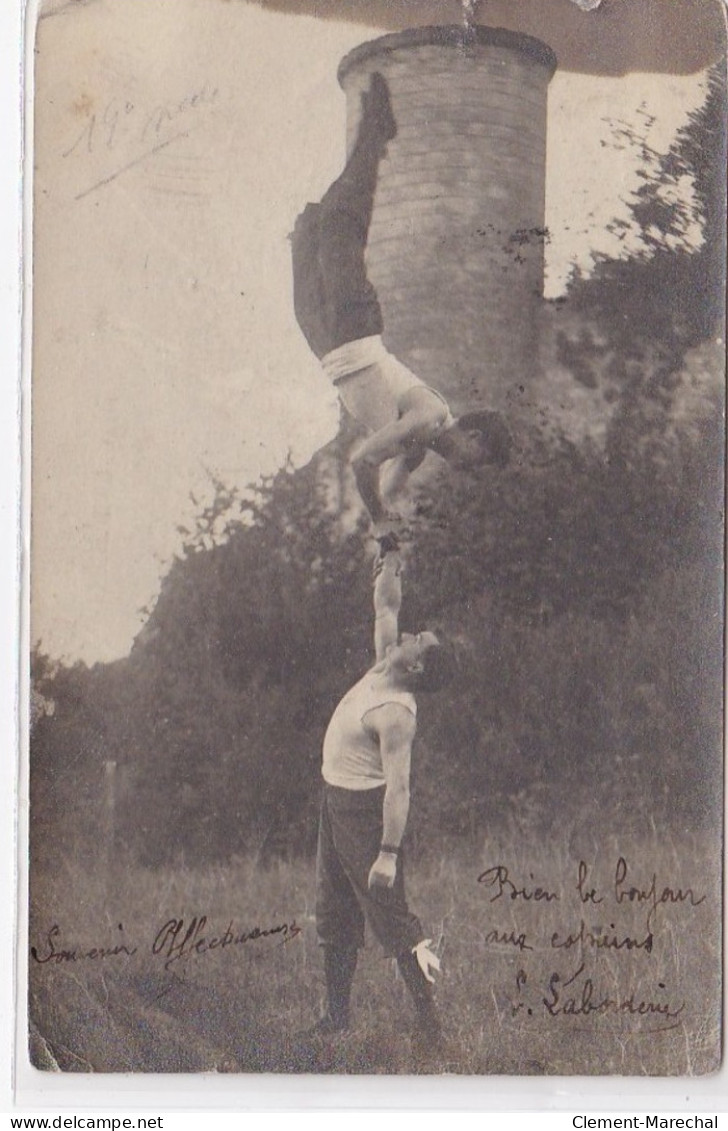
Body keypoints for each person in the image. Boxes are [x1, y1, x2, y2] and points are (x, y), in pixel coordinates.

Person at [291, 71, 511, 539]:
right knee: (339, 223)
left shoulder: (419, 445)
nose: (469, 472)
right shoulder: (428, 418)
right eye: (479, 463)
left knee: (313, 227)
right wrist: (380, 519)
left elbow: (389, 482)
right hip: (355, 327)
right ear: (474, 438)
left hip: (326, 345)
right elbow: (362, 460)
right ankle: (377, 130)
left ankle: (369, 136)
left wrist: (395, 522)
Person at [310, 546, 453, 1048]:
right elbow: (387, 608)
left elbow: (400, 788)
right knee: (333, 910)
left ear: (416, 669)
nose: (409, 636)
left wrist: (388, 854)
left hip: (365, 815)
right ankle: (336, 1017)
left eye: (418, 642)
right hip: (335, 800)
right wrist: (389, 562)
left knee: (393, 918)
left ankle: (431, 1027)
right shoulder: (383, 665)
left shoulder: (397, 712)